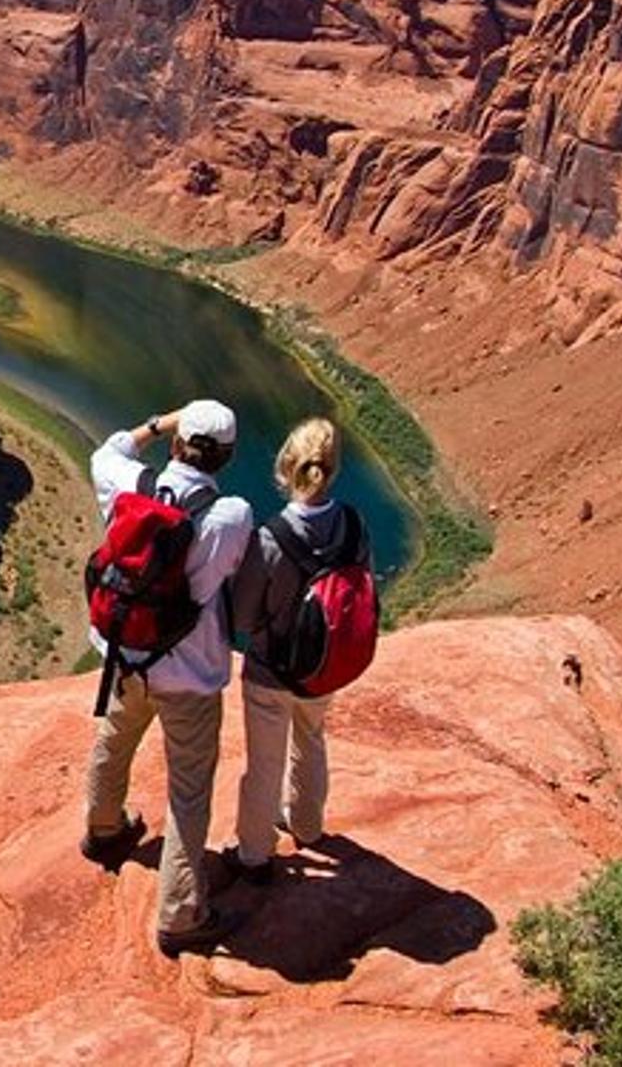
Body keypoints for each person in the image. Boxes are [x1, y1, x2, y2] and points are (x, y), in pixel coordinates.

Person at [82, 399, 254, 957]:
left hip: (125, 655)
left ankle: (104, 829)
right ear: (226, 456)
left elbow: (107, 450)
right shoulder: (231, 514)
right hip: (191, 675)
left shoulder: (131, 485)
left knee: (115, 737)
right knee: (188, 790)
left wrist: (159, 423)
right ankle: (180, 914)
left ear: (179, 443)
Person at [223, 417, 372, 883]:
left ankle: (254, 855)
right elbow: (358, 590)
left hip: (270, 672)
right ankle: (307, 826)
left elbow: (244, 618)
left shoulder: (269, 538)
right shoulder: (352, 524)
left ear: (287, 466)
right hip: (324, 667)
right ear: (332, 469)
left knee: (263, 765)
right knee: (311, 740)